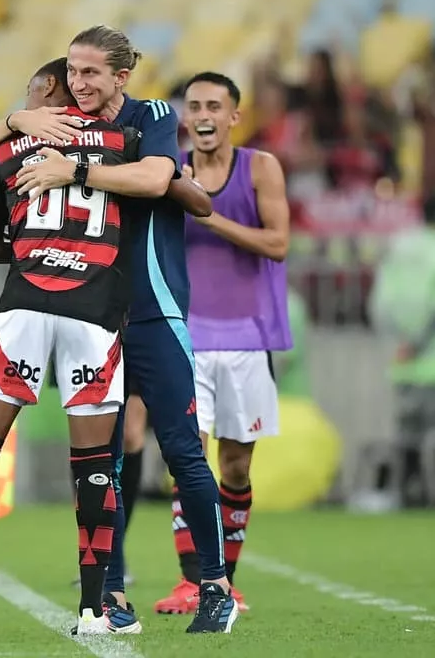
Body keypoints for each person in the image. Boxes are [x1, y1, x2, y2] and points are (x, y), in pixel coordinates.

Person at [0, 26, 239, 634]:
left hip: (154, 311)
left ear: (121, 77)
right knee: (101, 461)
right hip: (90, 315)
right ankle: (111, 597)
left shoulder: (152, 114)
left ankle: (214, 585)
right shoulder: (63, 122)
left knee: (182, 451)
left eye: (92, 73)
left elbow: (156, 180)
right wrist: (18, 118)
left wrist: (70, 171)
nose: (79, 83)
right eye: (73, 72)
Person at [0, 57, 157, 638]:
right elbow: (162, 184)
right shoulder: (126, 143)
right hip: (93, 312)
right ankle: (95, 609)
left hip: (23, 305)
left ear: (47, 89)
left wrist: (34, 244)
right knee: (95, 468)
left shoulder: (8, 149)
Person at [147, 72, 290, 615]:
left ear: (234, 116)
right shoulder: (169, 170)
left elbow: (277, 243)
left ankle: (225, 581)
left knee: (235, 467)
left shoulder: (261, 168)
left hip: (249, 340)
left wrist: (206, 211)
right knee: (189, 459)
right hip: (186, 336)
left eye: (215, 105)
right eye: (194, 106)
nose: (203, 115)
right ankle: (194, 582)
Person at [368, 194, 435, 510]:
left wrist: (399, 342)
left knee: (409, 435)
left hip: (404, 364)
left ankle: (411, 497)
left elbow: (380, 304)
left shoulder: (399, 250)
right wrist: (417, 344)